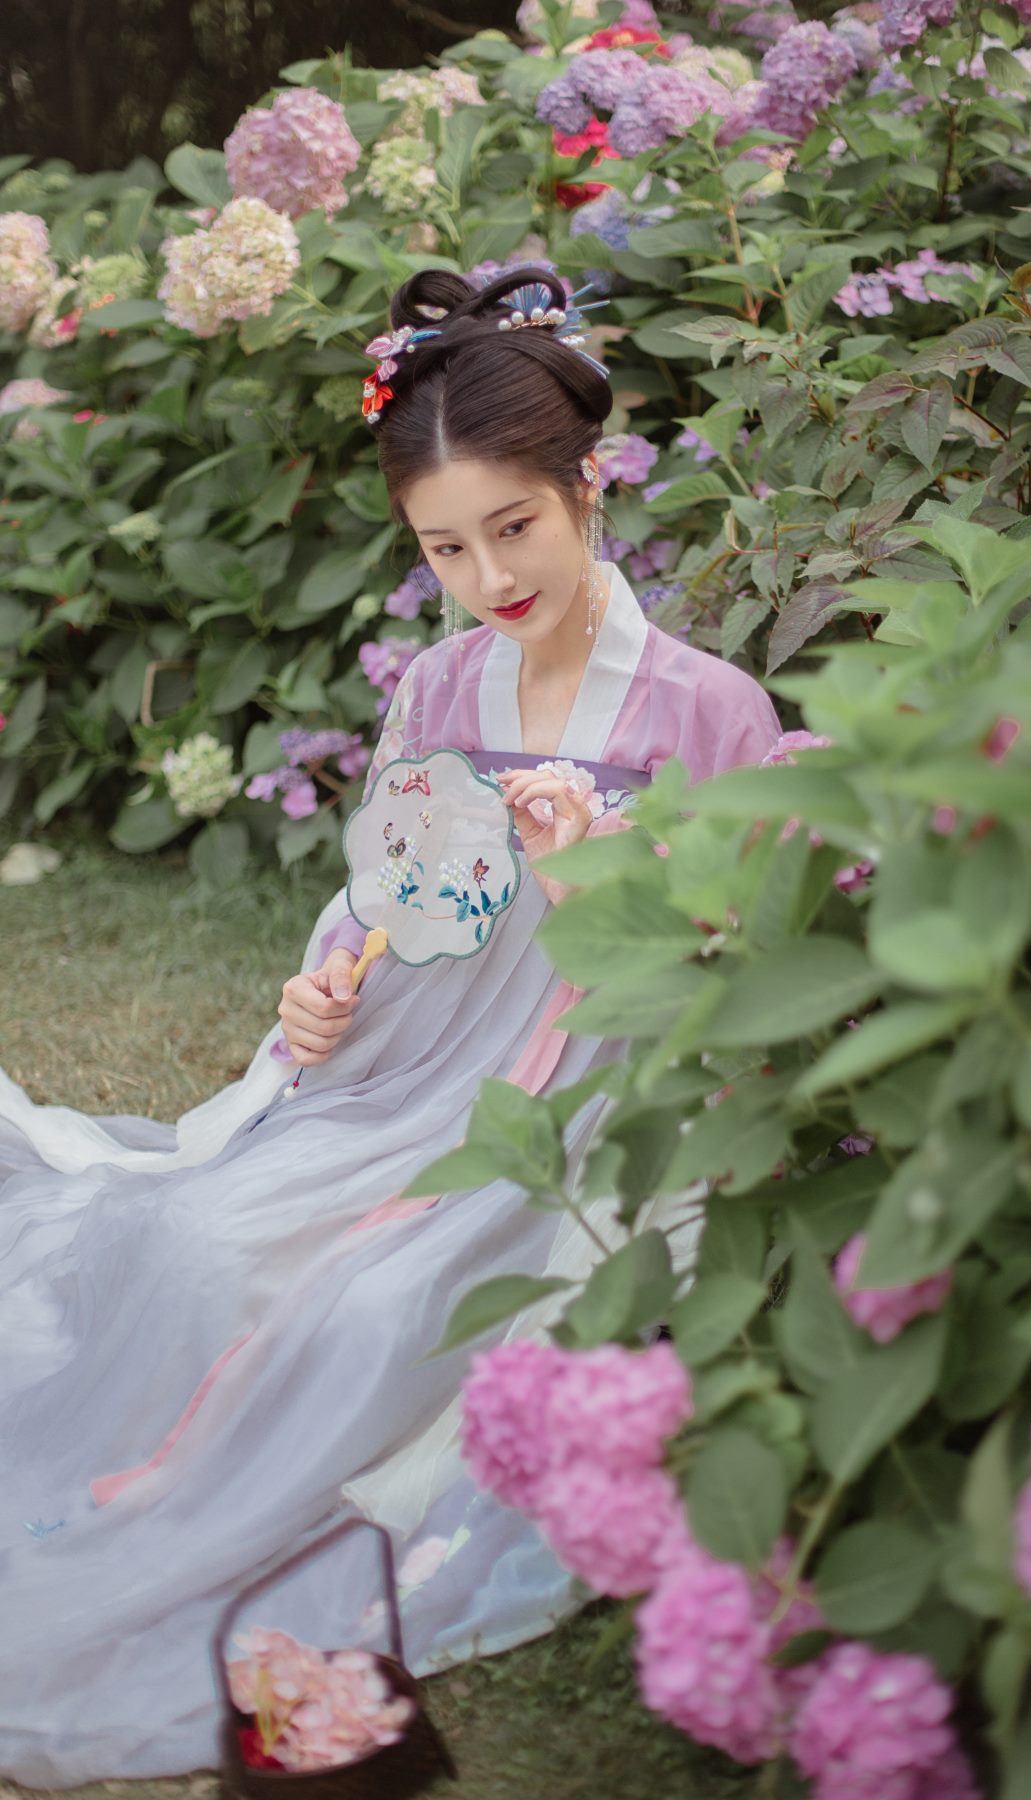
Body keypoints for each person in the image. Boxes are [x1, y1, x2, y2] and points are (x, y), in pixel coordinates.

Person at [0, 266, 782, 1785]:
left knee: (371, 1312)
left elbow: (736, 970)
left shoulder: (706, 712)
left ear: (588, 485)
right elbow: (393, 897)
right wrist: (325, 990)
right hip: (412, 1069)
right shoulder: (440, 687)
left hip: (599, 1103)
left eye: (515, 526)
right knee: (186, 1238)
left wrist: (597, 877)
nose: (489, 575)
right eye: (444, 547)